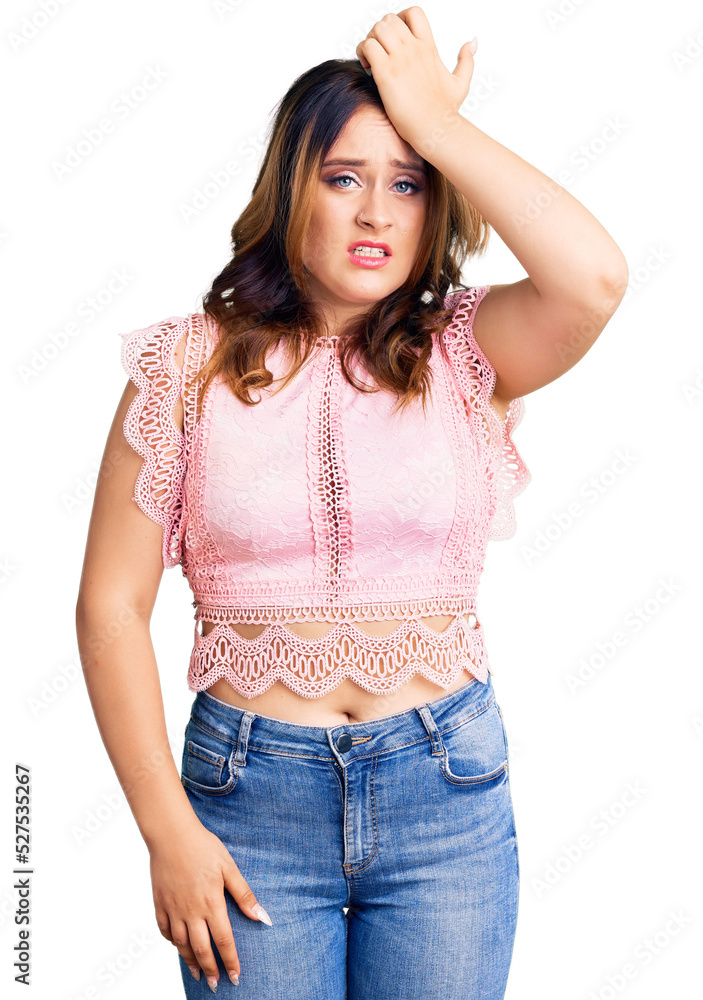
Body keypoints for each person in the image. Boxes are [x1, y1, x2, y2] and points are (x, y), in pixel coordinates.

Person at [75, 8, 628, 998]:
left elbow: (592, 279)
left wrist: (440, 124)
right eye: (343, 178)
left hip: (445, 795)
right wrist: (166, 831)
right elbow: (109, 605)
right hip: (249, 801)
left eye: (407, 183)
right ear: (292, 188)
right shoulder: (184, 367)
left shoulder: (465, 350)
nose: (377, 212)